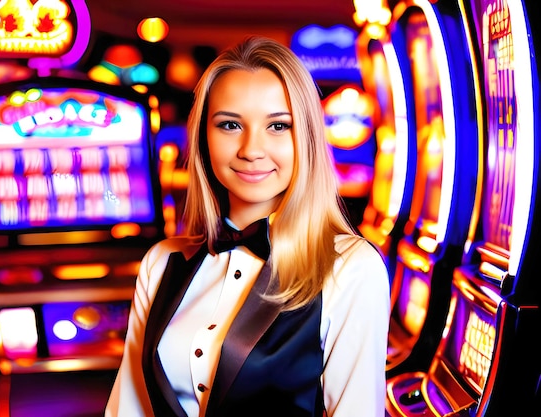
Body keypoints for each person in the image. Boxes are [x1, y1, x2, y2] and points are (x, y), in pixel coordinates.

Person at [105, 36, 390, 417]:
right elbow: (129, 408)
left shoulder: (350, 266)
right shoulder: (161, 261)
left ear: (305, 137)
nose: (251, 149)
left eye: (277, 126)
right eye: (229, 125)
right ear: (203, 137)